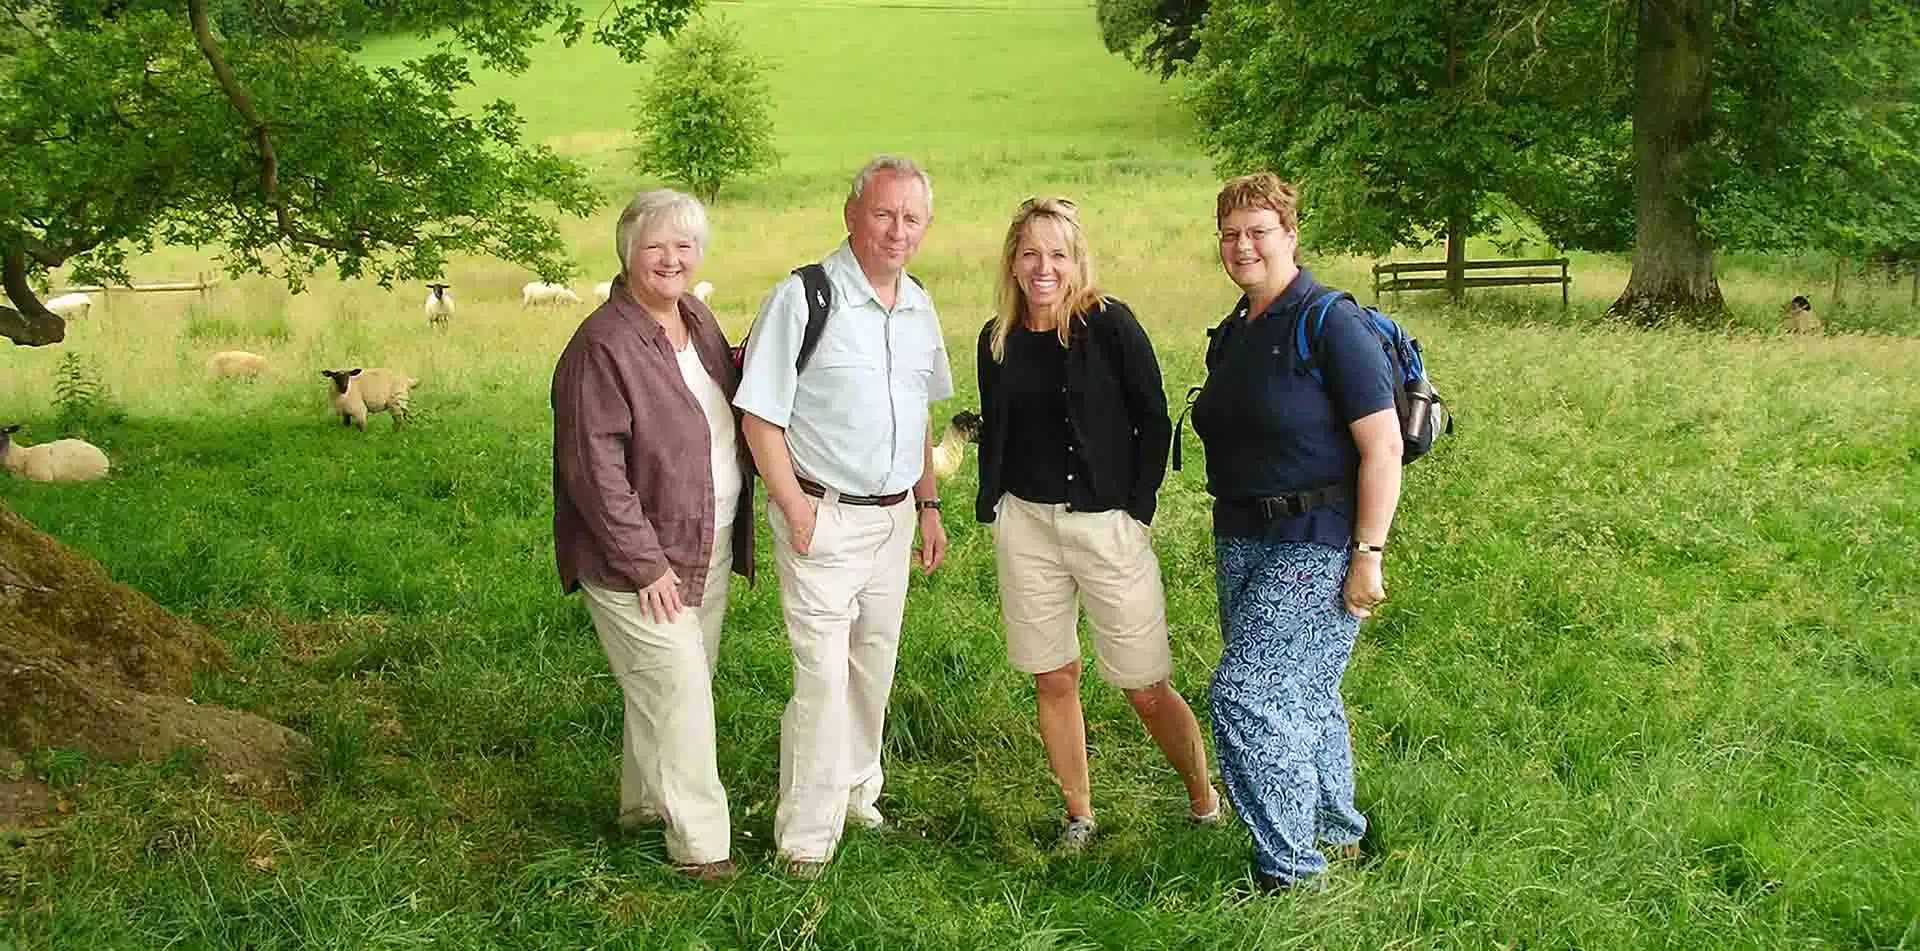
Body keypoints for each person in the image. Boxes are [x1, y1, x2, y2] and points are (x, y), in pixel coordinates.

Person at [974, 197, 1221, 852]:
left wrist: (1138, 509)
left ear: (1077, 259)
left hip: (1106, 521)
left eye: (1058, 253)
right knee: (1053, 674)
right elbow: (996, 424)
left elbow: (1153, 412)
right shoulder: (996, 338)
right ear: (1013, 261)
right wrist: (991, 501)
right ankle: (1078, 814)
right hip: (1026, 524)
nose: (1043, 267)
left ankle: (1203, 799)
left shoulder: (1108, 324)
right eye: (1031, 252)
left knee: (1145, 684)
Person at [733, 155, 953, 880]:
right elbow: (760, 416)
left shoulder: (919, 305)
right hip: (820, 515)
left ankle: (858, 792)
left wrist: (927, 505)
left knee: (872, 667)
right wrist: (794, 507)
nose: (897, 231)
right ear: (851, 215)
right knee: (822, 678)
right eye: (883, 214)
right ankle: (804, 837)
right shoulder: (803, 298)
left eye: (911, 218)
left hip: (893, 521)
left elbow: (920, 412)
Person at [1188, 172, 1402, 893]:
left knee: (1245, 692)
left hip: (1320, 535)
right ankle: (1338, 831)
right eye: (1230, 233)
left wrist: (1368, 553)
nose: (1242, 245)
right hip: (1242, 537)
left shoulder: (1330, 320)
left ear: (1290, 236)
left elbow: (1383, 446)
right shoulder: (1236, 331)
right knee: (1302, 691)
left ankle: (1292, 868)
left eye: (1258, 231)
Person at [551, 189, 753, 883]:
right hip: (638, 559)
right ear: (627, 253)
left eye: (685, 245)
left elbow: (723, 395)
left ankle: (642, 808)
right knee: (681, 690)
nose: (672, 258)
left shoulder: (694, 317)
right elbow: (593, 472)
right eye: (655, 246)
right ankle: (702, 847)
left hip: (708, 539)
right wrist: (646, 565)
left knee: (671, 682)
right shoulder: (600, 345)